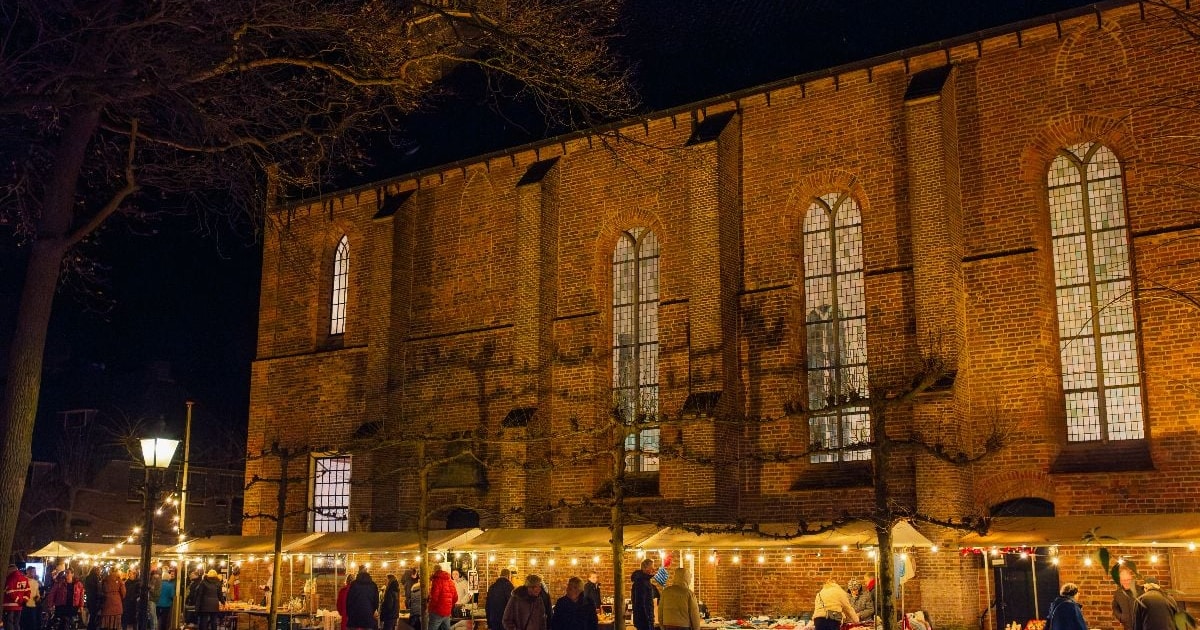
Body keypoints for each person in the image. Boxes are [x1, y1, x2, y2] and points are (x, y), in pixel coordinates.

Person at [629, 560, 656, 630]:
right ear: (646, 569)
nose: (653, 569)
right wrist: (648, 620)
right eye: (651, 567)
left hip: (644, 620)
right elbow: (640, 603)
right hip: (644, 621)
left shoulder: (644, 580)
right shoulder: (641, 581)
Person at [5, 564, 31, 630]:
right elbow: (28, 592)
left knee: (9, 623)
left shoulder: (10, 578)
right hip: (19, 605)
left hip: (9, 605)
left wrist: (17, 599)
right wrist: (23, 601)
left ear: (11, 570)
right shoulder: (24, 579)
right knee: (16, 623)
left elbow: (9, 591)